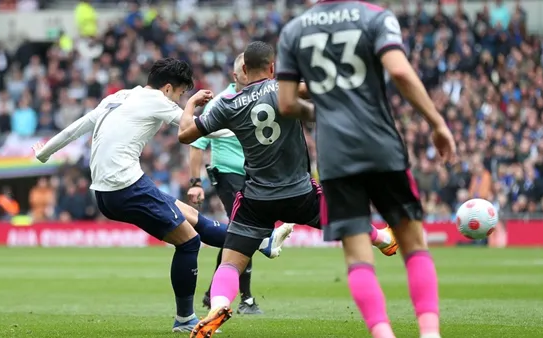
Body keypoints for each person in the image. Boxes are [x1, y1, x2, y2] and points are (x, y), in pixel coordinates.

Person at [31, 58, 293, 333]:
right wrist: (237, 123)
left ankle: (263, 241)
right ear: (168, 88)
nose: (180, 99)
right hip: (126, 187)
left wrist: (45, 151)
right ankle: (184, 319)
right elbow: (196, 129)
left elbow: (80, 126)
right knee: (189, 242)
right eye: (180, 93)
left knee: (192, 217)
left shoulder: (118, 96)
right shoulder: (158, 101)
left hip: (108, 191)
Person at [177, 41, 399, 338]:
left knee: (230, 263)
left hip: (256, 199)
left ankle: (217, 307)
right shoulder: (283, 88)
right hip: (299, 193)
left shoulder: (227, 105)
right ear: (272, 67)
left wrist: (191, 104)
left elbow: (184, 135)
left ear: (243, 69)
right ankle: (384, 239)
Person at [275, 2, 457, 338]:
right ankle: (430, 333)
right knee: (414, 245)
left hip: (336, 157)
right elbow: (400, 72)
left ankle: (382, 333)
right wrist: (437, 123)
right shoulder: (375, 16)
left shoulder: (294, 30)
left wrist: (325, 110)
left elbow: (286, 104)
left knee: (358, 258)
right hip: (381, 146)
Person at [188, 53, 265, 315]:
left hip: (254, 176)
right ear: (237, 75)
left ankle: (214, 293)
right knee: (245, 230)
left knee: (238, 234)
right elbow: (197, 143)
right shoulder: (221, 102)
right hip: (228, 174)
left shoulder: (263, 98)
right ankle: (246, 299)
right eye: (247, 69)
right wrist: (196, 181)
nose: (252, 73)